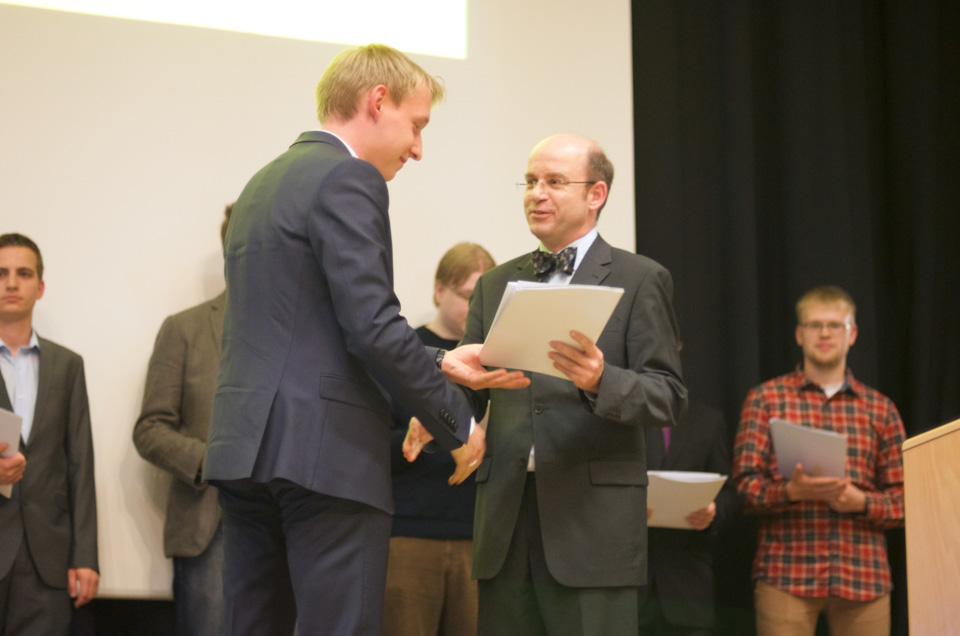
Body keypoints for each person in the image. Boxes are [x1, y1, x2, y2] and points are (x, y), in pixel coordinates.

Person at [202, 44, 527, 636]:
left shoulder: (262, 182)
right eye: (417, 125)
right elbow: (371, 324)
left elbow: (313, 327)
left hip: (246, 452)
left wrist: (442, 360)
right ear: (379, 101)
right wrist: (459, 423)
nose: (418, 149)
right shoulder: (349, 176)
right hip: (325, 457)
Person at [407, 134, 688, 635]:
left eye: (555, 181)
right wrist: (435, 415)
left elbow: (668, 395)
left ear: (596, 194)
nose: (537, 193)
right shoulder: (495, 283)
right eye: (531, 181)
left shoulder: (641, 278)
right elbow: (473, 384)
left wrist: (602, 381)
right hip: (505, 522)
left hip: (593, 527)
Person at [732, 285, 906, 636]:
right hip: (786, 575)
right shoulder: (766, 399)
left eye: (835, 325)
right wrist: (790, 492)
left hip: (863, 577)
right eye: (814, 325)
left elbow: (907, 499)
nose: (825, 334)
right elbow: (744, 488)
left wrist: (861, 502)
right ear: (800, 334)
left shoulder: (880, 408)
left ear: (852, 334)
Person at [383, 242, 496, 636]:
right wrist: (421, 435)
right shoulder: (405, 353)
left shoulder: (498, 362)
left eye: (483, 300)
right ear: (439, 290)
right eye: (467, 296)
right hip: (410, 533)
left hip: (479, 537)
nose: (474, 308)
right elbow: (370, 443)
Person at [132, 205, 232, 636]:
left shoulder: (300, 332)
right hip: (210, 525)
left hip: (286, 524)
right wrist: (211, 461)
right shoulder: (184, 329)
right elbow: (150, 429)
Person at [0, 233, 99, 634]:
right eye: (1, 273)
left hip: (48, 556)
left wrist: (86, 556)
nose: (11, 283)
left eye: (24, 274)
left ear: (40, 288)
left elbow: (80, 463)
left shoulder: (67, 365)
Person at [639, 396, 738, 636]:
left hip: (688, 585)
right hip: (627, 584)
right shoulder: (617, 415)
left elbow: (729, 493)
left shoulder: (707, 419)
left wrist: (713, 511)